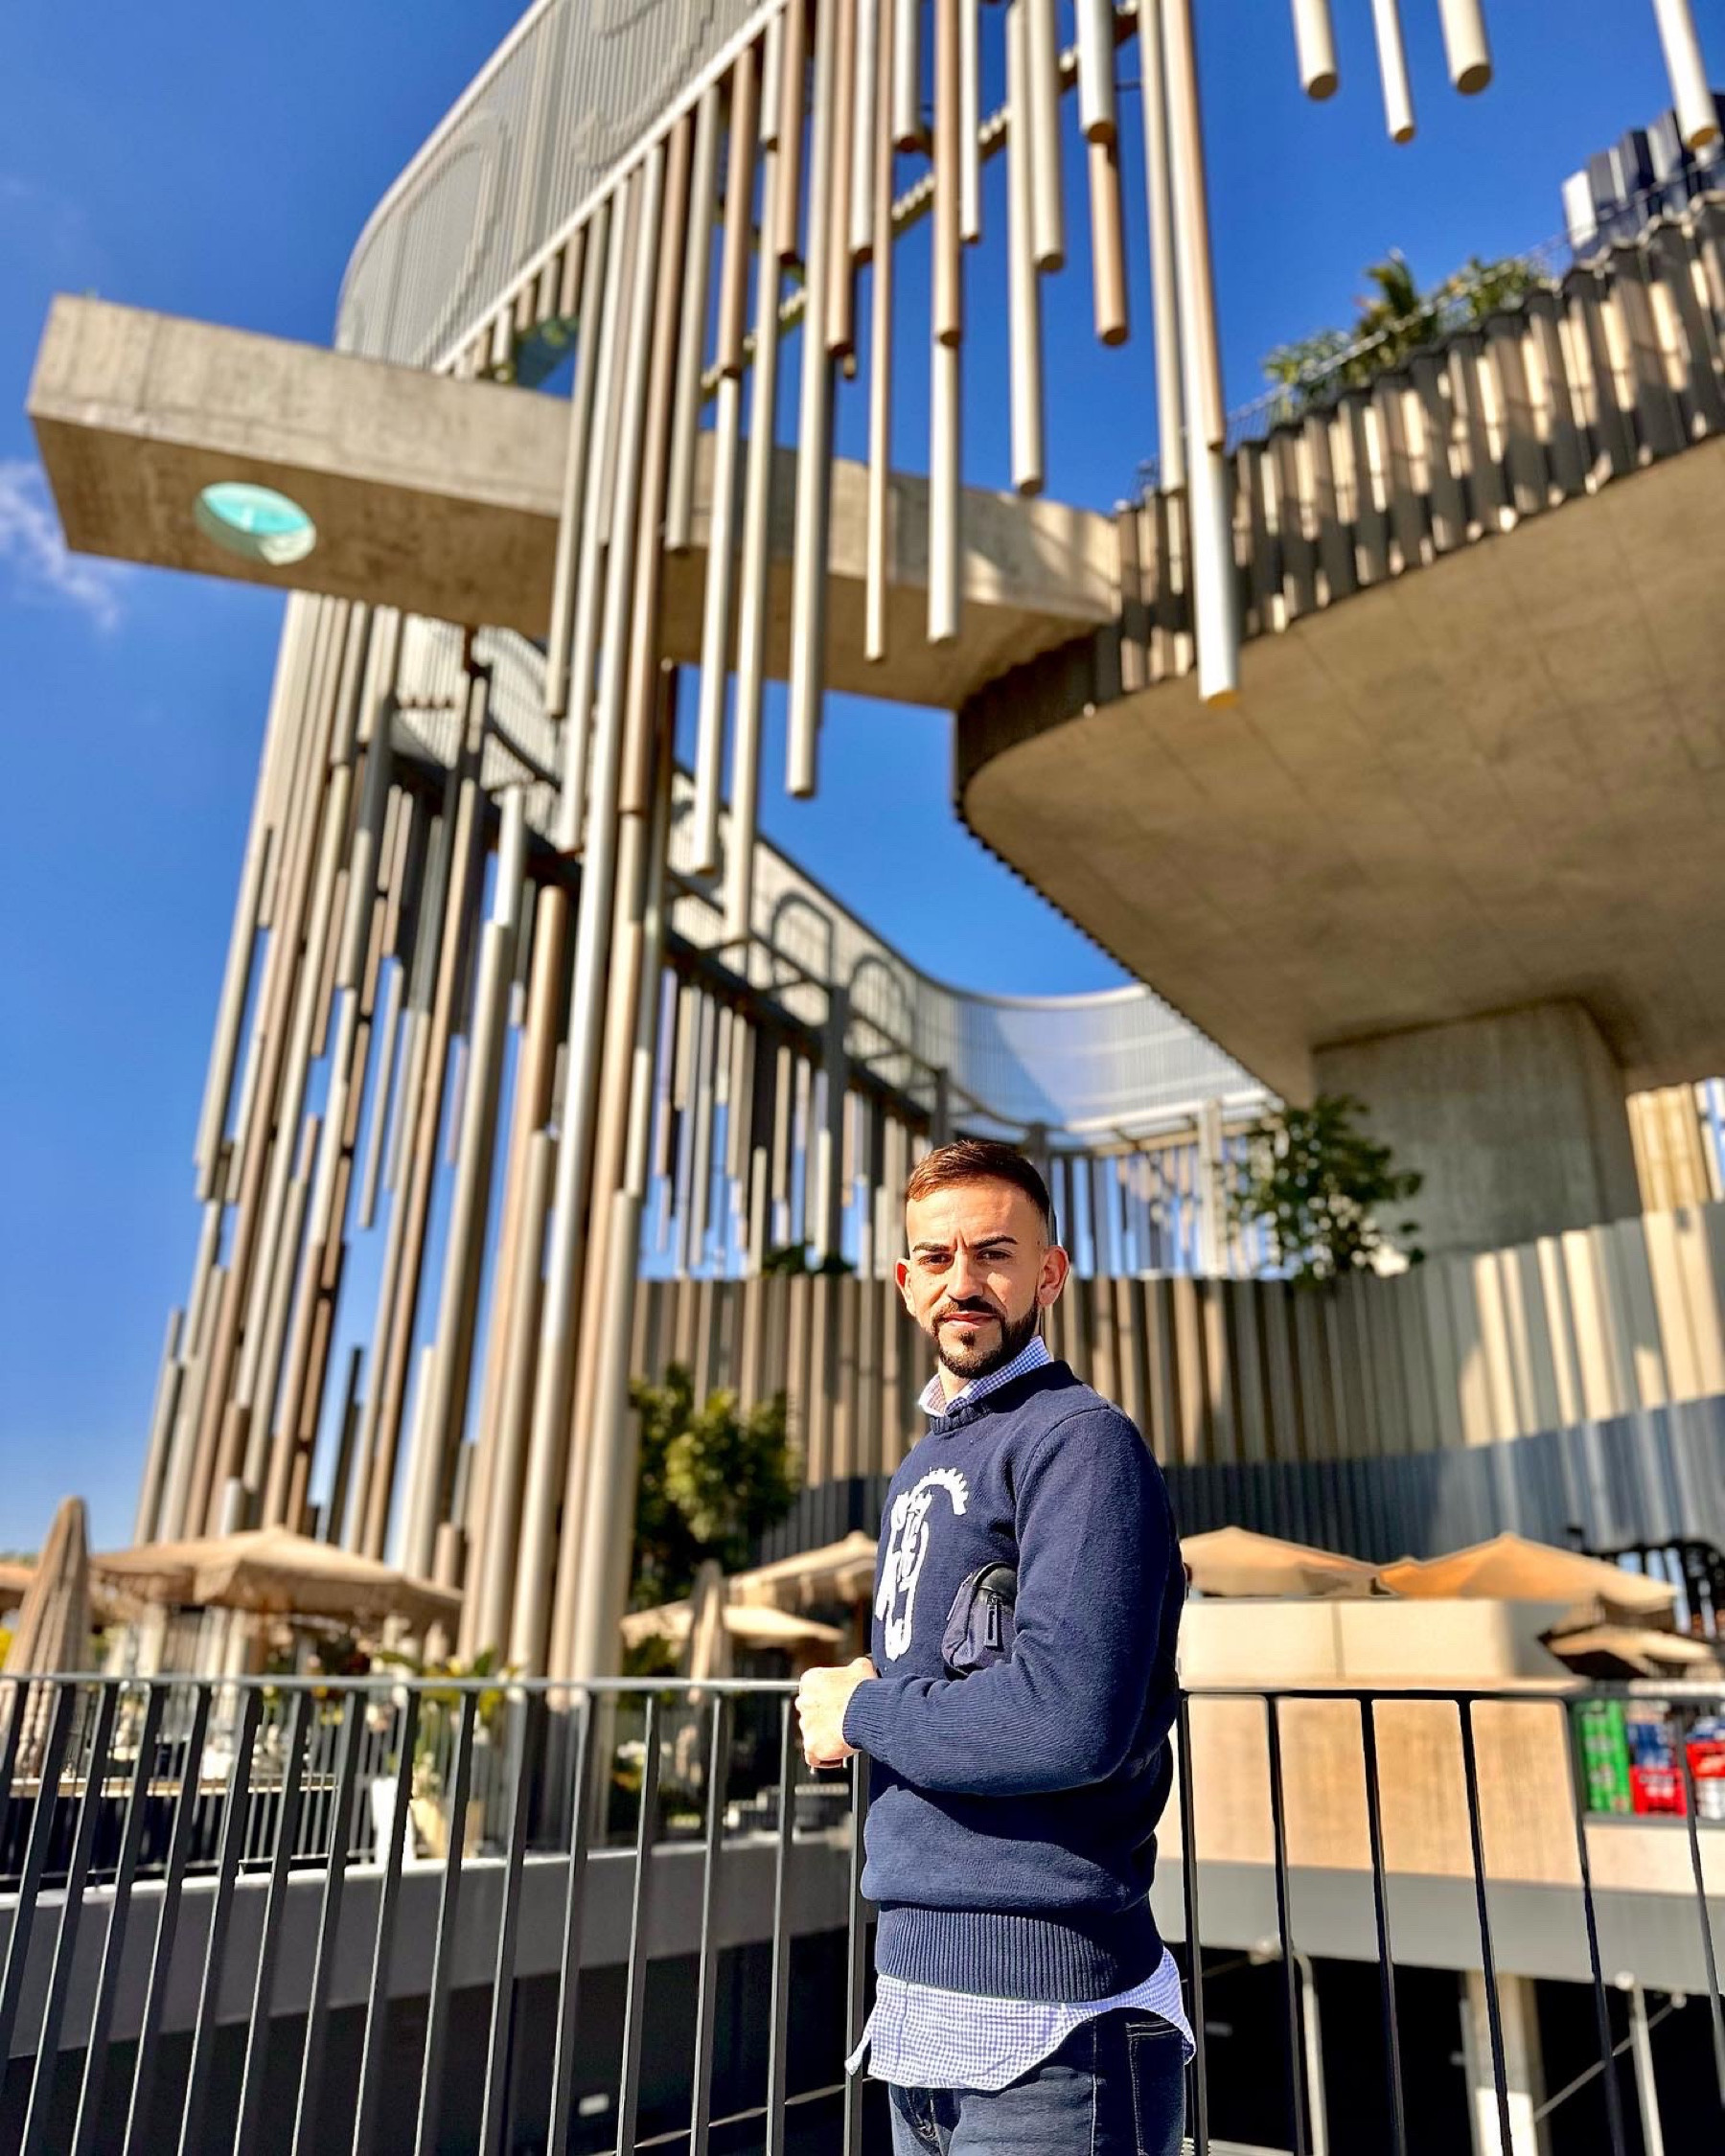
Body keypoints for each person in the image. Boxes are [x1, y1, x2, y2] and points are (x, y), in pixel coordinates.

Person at [795, 1138, 1190, 2155]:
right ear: (905, 1281)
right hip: (917, 2008)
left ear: (1048, 1274)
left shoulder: (1081, 1442)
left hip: (1057, 2032)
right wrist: (874, 1692)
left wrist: (862, 1710)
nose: (962, 1282)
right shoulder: (924, 1461)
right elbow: (938, 1680)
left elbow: (1067, 1721)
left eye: (994, 1254)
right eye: (936, 1257)